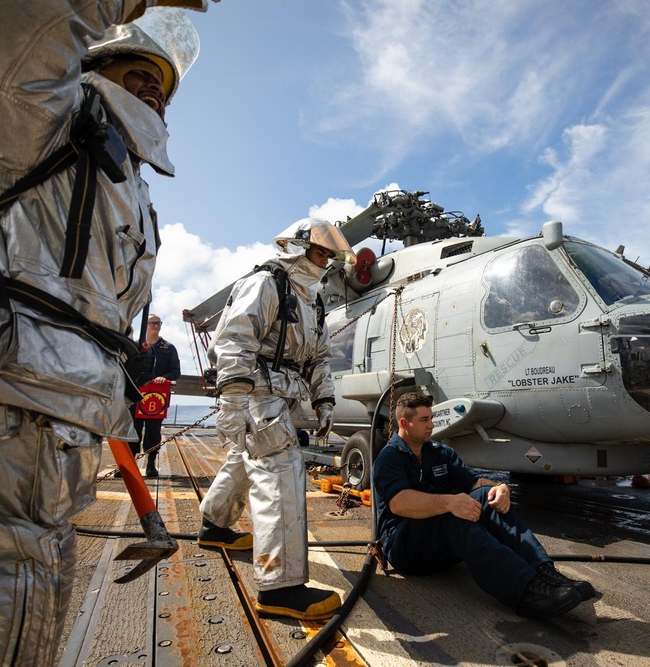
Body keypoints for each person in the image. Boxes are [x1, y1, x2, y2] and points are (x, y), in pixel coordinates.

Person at [0, 3, 210, 664]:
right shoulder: (39, 116)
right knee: (5, 604)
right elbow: (10, 24)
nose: (157, 87)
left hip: (23, 404)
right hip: (5, 404)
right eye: (139, 71)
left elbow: (92, 322)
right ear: (95, 59)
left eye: (165, 81)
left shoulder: (116, 169)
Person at [198, 218, 355, 621]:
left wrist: (324, 401)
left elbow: (318, 357)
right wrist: (232, 402)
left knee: (248, 459)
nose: (324, 262)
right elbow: (234, 340)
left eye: (329, 256)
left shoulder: (311, 300)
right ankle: (280, 586)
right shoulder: (268, 283)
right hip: (256, 390)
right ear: (297, 248)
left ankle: (214, 526)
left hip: (284, 394)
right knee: (281, 471)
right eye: (319, 253)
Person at [373, 391, 599, 619]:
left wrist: (501, 488)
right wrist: (449, 502)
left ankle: (545, 574)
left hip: (439, 545)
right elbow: (399, 503)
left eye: (431, 418)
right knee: (451, 517)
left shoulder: (439, 453)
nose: (431, 425)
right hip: (406, 548)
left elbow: (475, 484)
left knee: (486, 496)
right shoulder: (390, 457)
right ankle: (526, 591)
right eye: (424, 420)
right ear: (404, 423)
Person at [130, 314, 182, 477]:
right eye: (152, 323)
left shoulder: (168, 348)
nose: (156, 326)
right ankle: (130, 464)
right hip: (136, 395)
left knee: (153, 432)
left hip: (157, 396)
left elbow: (175, 371)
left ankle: (151, 464)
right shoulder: (136, 346)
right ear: (146, 325)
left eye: (158, 323)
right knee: (132, 431)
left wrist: (165, 378)